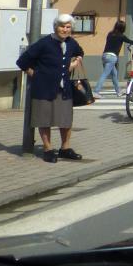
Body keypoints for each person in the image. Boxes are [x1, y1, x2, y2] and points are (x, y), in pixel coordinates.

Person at [16, 13, 86, 162]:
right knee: (44, 120)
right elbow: (22, 61)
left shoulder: (71, 43)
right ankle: (48, 149)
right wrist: (35, 74)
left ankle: (65, 148)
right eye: (62, 26)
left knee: (65, 120)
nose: (65, 30)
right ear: (55, 27)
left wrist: (76, 61)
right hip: (43, 89)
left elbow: (80, 52)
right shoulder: (44, 43)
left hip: (64, 89)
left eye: (68, 27)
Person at [96, 20, 133, 97]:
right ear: (122, 28)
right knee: (105, 74)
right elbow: (129, 41)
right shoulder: (121, 36)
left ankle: (118, 92)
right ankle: (96, 91)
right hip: (112, 57)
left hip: (104, 55)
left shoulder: (110, 34)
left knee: (114, 74)